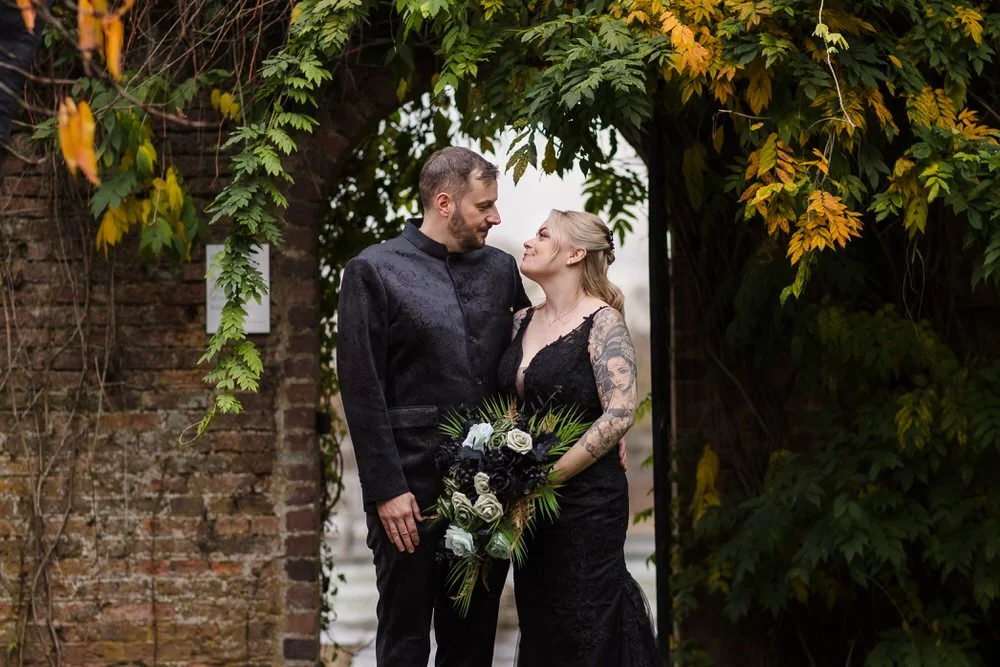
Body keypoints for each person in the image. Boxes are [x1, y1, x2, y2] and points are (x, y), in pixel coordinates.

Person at [336, 146, 531, 666]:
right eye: (484, 206)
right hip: (408, 496)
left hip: (488, 487)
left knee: (472, 645)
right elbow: (360, 386)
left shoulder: (501, 270)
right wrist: (386, 489)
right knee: (403, 642)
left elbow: (526, 366)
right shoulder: (371, 271)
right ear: (445, 203)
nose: (496, 217)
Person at [497, 209, 659, 665]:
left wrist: (546, 478)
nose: (529, 242)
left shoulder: (602, 321)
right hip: (527, 504)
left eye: (542, 234)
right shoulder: (520, 321)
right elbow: (513, 402)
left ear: (574, 253)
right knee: (540, 621)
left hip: (586, 502)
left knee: (586, 623)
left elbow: (620, 412)